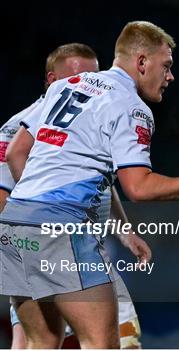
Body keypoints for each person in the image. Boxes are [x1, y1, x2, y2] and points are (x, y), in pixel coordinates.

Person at [0, 21, 179, 349]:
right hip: (62, 228)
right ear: (142, 62)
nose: (171, 77)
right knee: (104, 344)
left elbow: (18, 152)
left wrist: (119, 229)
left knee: (42, 342)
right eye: (166, 67)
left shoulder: (65, 87)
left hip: (15, 224)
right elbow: (139, 187)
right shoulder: (133, 108)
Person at [0, 42, 148, 349]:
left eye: (97, 75)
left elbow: (100, 181)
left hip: (69, 239)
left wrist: (123, 231)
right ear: (53, 81)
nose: (95, 84)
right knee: (107, 338)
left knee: (44, 341)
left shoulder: (89, 117)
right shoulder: (18, 127)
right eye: (81, 76)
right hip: (48, 238)